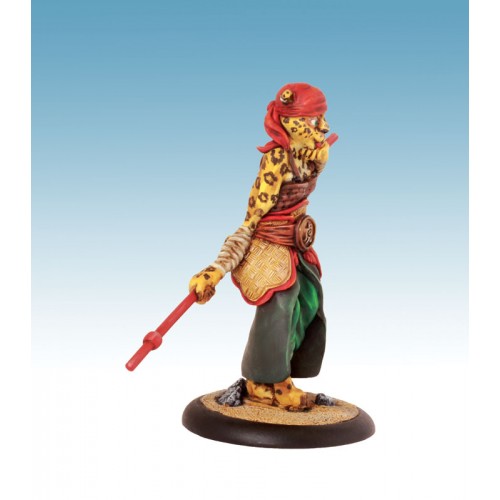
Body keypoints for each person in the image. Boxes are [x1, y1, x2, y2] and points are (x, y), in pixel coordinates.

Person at [189, 83, 337, 410]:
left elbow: (315, 164)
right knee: (281, 305)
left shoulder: (310, 155)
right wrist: (215, 270)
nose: (323, 128)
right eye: (313, 120)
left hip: (297, 246)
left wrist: (318, 154)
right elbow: (250, 221)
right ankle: (266, 382)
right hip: (270, 247)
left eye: (323, 119)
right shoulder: (276, 161)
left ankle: (282, 377)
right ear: (288, 121)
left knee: (309, 303)